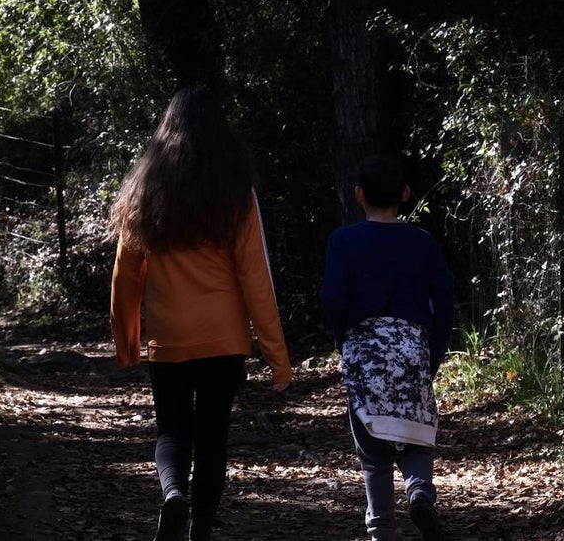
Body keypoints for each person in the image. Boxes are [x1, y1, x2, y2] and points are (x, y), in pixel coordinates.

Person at [109, 85, 293, 541]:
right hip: (224, 337)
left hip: (169, 337)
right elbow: (256, 278)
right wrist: (277, 357)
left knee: (172, 430)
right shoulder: (235, 192)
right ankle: (201, 532)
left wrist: (128, 342)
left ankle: (173, 493)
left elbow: (125, 275)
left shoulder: (146, 190)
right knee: (213, 438)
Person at [321, 153, 454, 541]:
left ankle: (381, 530)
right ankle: (419, 491)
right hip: (413, 348)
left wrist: (344, 344)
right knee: (416, 434)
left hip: (364, 352)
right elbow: (443, 303)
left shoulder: (342, 240)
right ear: (407, 194)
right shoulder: (422, 242)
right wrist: (433, 355)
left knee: (373, 452)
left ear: (359, 194)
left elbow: (334, 298)